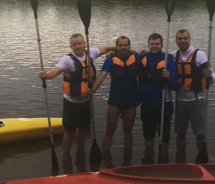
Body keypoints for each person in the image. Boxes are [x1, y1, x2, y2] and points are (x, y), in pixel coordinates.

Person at [38, 33, 116, 165]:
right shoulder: (67, 60)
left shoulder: (91, 53)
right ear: (71, 47)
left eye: (80, 43)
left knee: (83, 128)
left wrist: (119, 49)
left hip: (85, 101)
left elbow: (105, 49)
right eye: (74, 45)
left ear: (84, 44)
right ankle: (66, 155)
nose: (78, 46)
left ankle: (80, 151)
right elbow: (54, 73)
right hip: (71, 103)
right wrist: (45, 75)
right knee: (69, 130)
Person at [89, 36, 142, 164]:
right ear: (116, 47)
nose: (123, 47)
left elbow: (144, 73)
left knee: (128, 132)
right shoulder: (110, 60)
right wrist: (93, 90)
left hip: (130, 101)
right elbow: (102, 76)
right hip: (115, 101)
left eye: (125, 45)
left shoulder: (136, 58)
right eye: (120, 45)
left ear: (129, 46)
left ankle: (127, 161)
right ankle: (105, 159)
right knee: (109, 131)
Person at [170, 29, 215, 163]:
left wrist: (210, 76)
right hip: (180, 100)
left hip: (197, 100)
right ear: (176, 40)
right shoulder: (173, 55)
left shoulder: (200, 55)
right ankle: (180, 160)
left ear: (189, 39)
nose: (182, 41)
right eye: (180, 39)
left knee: (200, 133)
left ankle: (202, 160)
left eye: (185, 38)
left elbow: (213, 77)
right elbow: (157, 55)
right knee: (180, 132)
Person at [139, 33, 178, 164]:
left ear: (161, 45)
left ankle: (164, 159)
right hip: (147, 104)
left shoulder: (168, 61)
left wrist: (168, 78)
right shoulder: (143, 59)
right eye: (152, 44)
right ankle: (148, 159)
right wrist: (110, 54)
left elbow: (175, 85)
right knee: (148, 134)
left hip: (164, 104)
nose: (154, 46)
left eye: (157, 44)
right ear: (148, 44)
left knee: (164, 134)